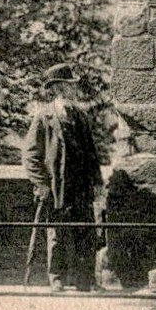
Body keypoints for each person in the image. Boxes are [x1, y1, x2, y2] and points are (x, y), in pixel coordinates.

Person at [21, 62, 103, 291]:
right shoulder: (43, 117)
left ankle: (87, 281)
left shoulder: (81, 117)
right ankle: (56, 278)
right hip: (57, 186)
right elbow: (30, 155)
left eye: (73, 85)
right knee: (57, 233)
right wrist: (41, 184)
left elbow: (91, 153)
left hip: (81, 187)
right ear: (57, 88)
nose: (73, 89)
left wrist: (97, 182)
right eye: (69, 85)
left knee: (85, 232)